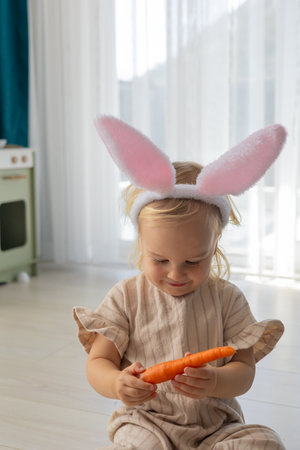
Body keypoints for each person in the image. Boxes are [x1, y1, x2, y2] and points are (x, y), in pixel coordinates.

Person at [73, 117, 286, 449]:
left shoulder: (228, 299)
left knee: (264, 442)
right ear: (142, 245)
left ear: (213, 249)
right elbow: (98, 362)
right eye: (160, 260)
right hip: (146, 420)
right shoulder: (126, 297)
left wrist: (216, 380)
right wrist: (117, 384)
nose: (175, 274)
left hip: (217, 426)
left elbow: (244, 370)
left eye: (193, 261)